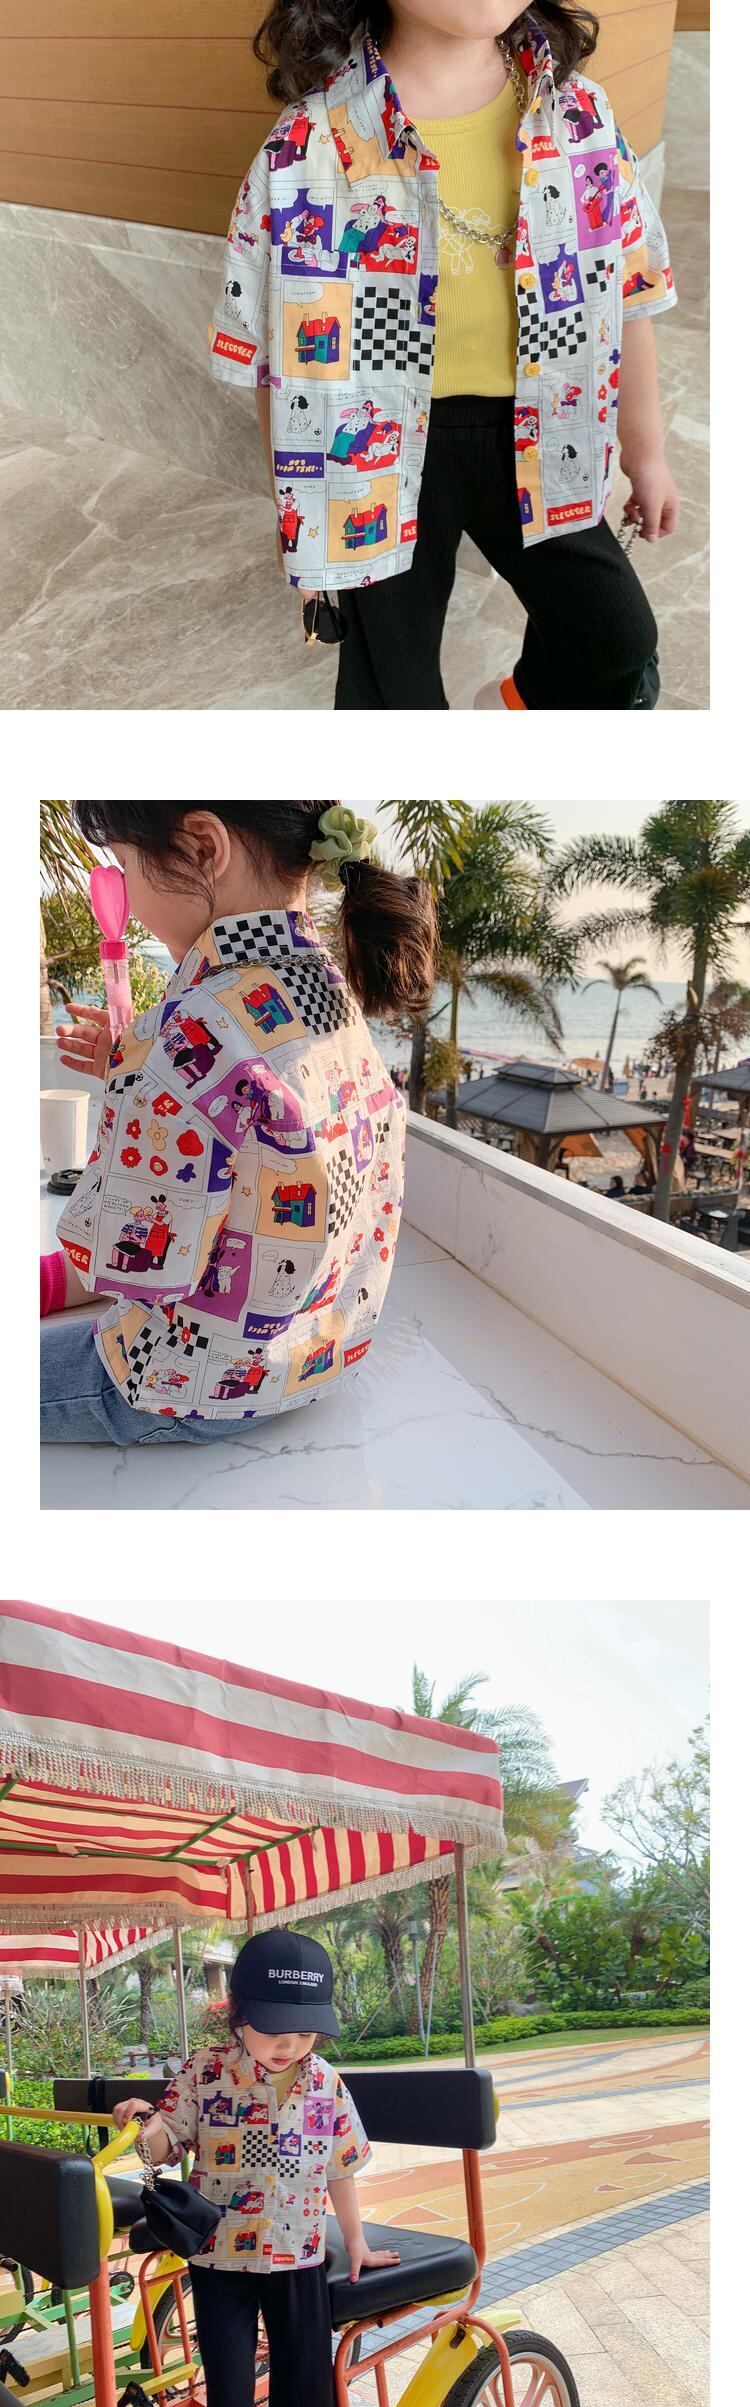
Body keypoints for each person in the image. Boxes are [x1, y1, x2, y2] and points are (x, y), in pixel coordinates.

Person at [211, 10, 678, 712]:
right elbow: (276, 360)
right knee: (392, 686)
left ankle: (521, 698)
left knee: (616, 635)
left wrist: (648, 453)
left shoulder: (579, 116)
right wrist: (300, 511)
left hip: (540, 429)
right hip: (377, 457)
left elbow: (628, 295)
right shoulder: (308, 141)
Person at [41, 801, 435, 1444]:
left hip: (179, 1386)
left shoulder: (189, 1027)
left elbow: (123, 1258)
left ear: (203, 846)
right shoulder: (329, 992)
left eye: (125, 866)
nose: (129, 902)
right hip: (313, 1360)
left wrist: (140, 1078)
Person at [111, 1928, 400, 2407]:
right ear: (238, 2015)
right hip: (219, 2255)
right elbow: (168, 2141)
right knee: (227, 2376)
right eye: (273, 2028)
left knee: (304, 2367)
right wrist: (146, 2122)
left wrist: (355, 2241)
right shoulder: (204, 2071)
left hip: (299, 2252)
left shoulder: (327, 2082)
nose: (288, 2043)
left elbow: (341, 2169)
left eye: (304, 2031)